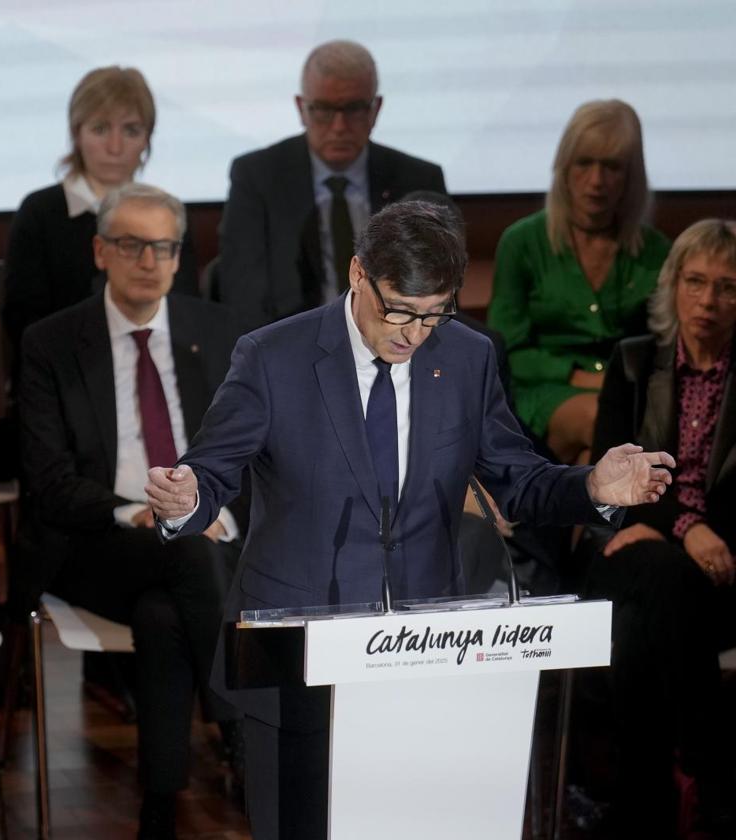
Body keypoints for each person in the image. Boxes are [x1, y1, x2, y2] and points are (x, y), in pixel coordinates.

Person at [145, 200, 676, 839]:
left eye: (433, 315)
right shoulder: (271, 357)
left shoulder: (468, 357)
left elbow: (519, 479)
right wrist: (185, 500)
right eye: (397, 309)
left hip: (420, 653)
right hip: (295, 652)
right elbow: (212, 471)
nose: (412, 333)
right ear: (358, 274)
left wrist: (591, 484)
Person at [18, 184, 242, 839]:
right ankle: (242, 735)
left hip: (203, 539)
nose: (148, 260)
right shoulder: (52, 344)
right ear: (100, 252)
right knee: (188, 554)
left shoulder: (221, 333)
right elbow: (48, 480)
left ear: (179, 258)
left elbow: (257, 454)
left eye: (163, 247)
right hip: (97, 542)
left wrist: (215, 513)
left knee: (166, 608)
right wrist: (132, 512)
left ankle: (158, 803)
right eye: (130, 245)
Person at [582, 219, 736, 838]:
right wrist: (685, 528)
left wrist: (691, 533)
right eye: (694, 283)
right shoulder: (633, 361)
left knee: (652, 622)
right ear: (672, 286)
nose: (707, 301)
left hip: (723, 562)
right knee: (665, 581)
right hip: (629, 545)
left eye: (727, 287)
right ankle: (708, 776)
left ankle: (636, 804)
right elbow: (607, 478)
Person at [216, 40, 446, 329]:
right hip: (293, 345)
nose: (339, 126)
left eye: (353, 109)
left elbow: (437, 295)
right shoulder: (258, 177)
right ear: (302, 109)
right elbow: (243, 295)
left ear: (375, 109)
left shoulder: (418, 181)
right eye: (323, 109)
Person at [488, 100, 670, 465]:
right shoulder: (522, 242)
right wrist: (589, 380)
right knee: (602, 420)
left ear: (632, 176)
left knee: (594, 455)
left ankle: (589, 523)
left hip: (626, 395)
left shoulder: (656, 252)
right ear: (564, 167)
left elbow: (664, 347)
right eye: (584, 163)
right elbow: (507, 349)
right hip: (540, 390)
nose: (596, 181)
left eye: (612, 167)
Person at [2, 66, 199, 373]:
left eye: (131, 131)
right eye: (100, 129)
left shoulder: (166, 215)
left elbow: (185, 315)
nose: (115, 147)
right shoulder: (40, 212)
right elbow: (24, 324)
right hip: (65, 377)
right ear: (76, 133)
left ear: (147, 139)